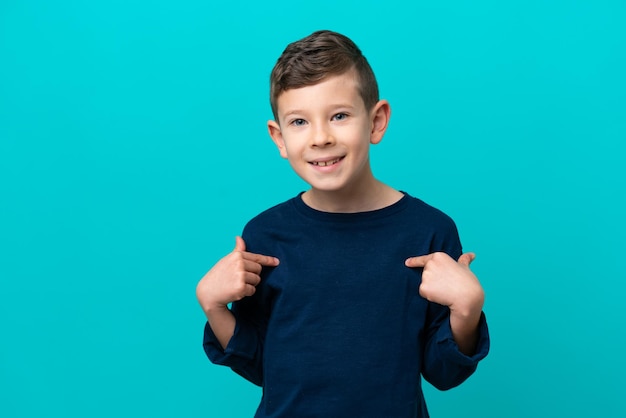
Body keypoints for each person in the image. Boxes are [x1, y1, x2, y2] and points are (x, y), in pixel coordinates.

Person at [196, 30, 490, 417]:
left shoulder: (429, 232)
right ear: (279, 137)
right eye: (299, 122)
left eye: (339, 116)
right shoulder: (264, 235)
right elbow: (260, 366)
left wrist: (467, 310)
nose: (320, 138)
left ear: (376, 121)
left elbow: (444, 373)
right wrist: (214, 305)